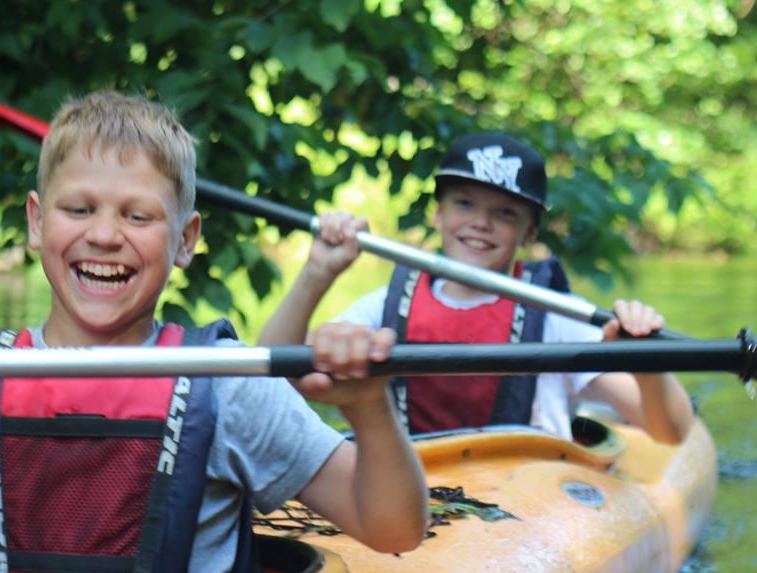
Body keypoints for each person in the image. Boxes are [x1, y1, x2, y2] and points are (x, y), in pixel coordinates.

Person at [0, 91, 427, 573]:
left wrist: (367, 407)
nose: (104, 234)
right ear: (37, 224)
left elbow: (392, 527)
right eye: (79, 209)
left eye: (137, 216)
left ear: (185, 241)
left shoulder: (228, 387)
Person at [259, 132, 694, 444]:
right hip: (414, 484)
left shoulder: (559, 317)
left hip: (530, 493)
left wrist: (644, 360)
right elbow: (272, 386)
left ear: (528, 232)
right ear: (437, 214)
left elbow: (668, 432)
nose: (480, 224)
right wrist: (319, 272)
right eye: (464, 203)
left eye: (505, 213)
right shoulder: (387, 307)